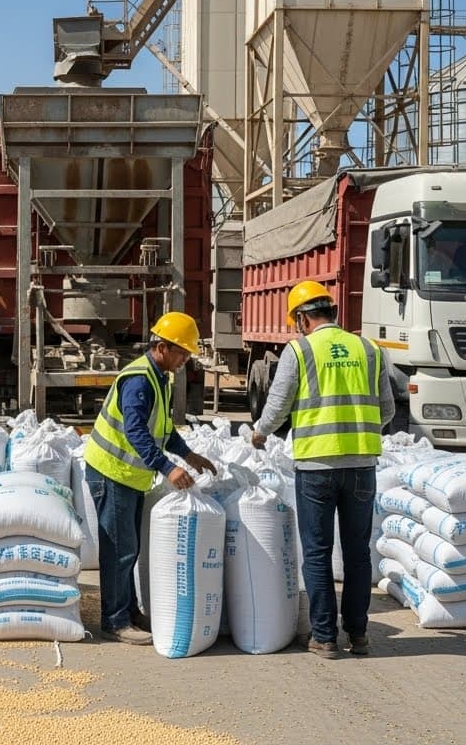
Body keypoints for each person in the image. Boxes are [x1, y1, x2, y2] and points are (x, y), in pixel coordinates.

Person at [250, 281, 394, 659]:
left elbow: (278, 404)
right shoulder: (369, 349)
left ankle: (325, 637)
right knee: (358, 552)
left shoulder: (299, 351)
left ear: (302, 318)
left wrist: (260, 433)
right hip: (362, 465)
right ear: (332, 312)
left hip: (316, 466)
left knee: (316, 552)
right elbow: (388, 408)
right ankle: (359, 635)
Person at [81, 311, 218, 645]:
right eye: (181, 352)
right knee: (119, 550)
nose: (185, 359)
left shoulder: (160, 377)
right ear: (161, 347)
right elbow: (137, 432)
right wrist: (167, 467)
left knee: (129, 547)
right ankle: (114, 620)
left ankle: (127, 611)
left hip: (128, 477)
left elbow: (163, 430)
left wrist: (187, 454)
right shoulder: (140, 379)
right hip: (111, 473)